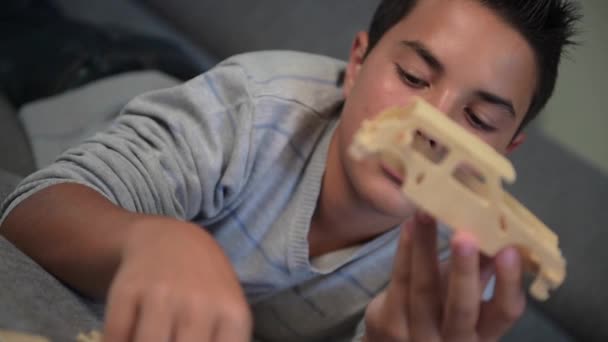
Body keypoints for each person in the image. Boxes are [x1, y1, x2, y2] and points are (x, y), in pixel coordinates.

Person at [0, 0, 579, 341]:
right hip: (99, 75)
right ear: (356, 64)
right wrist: (152, 238)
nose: (432, 126)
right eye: (411, 78)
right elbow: (32, 206)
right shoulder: (256, 108)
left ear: (505, 152)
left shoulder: (457, 262)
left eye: (477, 118)